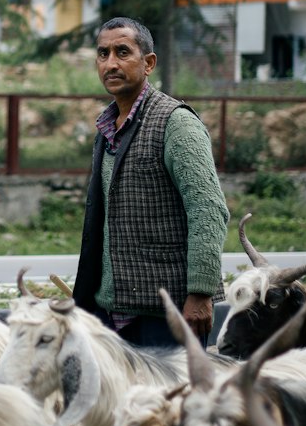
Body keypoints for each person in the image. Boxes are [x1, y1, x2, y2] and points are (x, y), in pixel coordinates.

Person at [72, 17, 229, 347]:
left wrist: (200, 293)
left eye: (122, 52)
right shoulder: (106, 128)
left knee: (172, 399)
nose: (111, 63)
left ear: (149, 63)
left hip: (168, 313)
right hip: (111, 313)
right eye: (103, 54)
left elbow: (208, 211)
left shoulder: (176, 123)